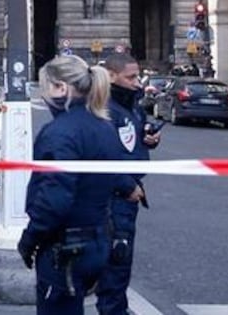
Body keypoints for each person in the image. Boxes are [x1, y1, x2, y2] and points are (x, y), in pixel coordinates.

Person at [18, 55, 142, 315]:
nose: (43, 96)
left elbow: (55, 198)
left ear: (61, 88)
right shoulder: (103, 125)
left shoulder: (60, 132)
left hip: (65, 247)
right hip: (97, 238)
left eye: (45, 88)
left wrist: (30, 239)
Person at [96, 53, 161, 315]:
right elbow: (102, 155)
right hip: (115, 197)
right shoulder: (105, 107)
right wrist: (127, 186)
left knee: (120, 267)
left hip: (127, 194)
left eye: (138, 76)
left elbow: (132, 136)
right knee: (115, 266)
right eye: (131, 77)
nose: (138, 82)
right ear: (112, 76)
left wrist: (148, 139)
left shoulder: (130, 104)